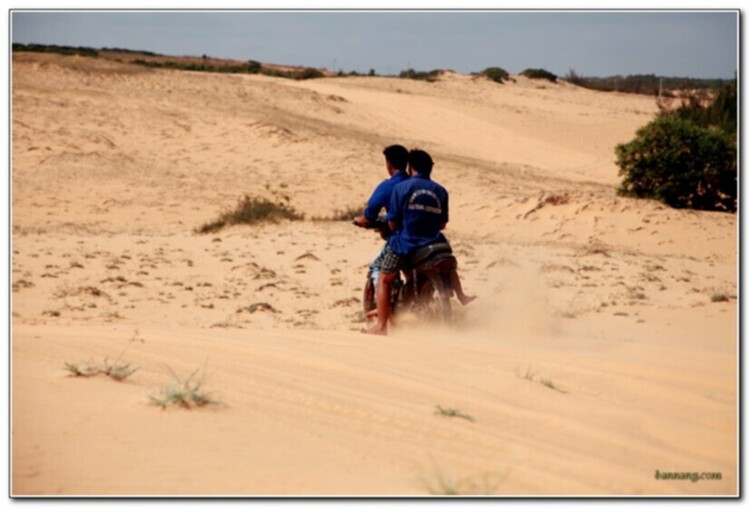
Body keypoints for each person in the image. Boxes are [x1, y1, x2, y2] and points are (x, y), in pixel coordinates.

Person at [362, 149, 475, 335]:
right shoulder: (441, 191)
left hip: (405, 242)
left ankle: (381, 327)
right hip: (434, 241)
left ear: (411, 167)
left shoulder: (401, 188)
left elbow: (392, 222)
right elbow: (443, 223)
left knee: (385, 279)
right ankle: (460, 295)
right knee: (449, 261)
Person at [353, 144, 410, 292]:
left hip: (401, 239)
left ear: (389, 164)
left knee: (377, 267)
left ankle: (382, 309)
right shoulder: (416, 184)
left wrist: (363, 220)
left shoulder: (389, 186)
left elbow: (370, 213)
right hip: (426, 236)